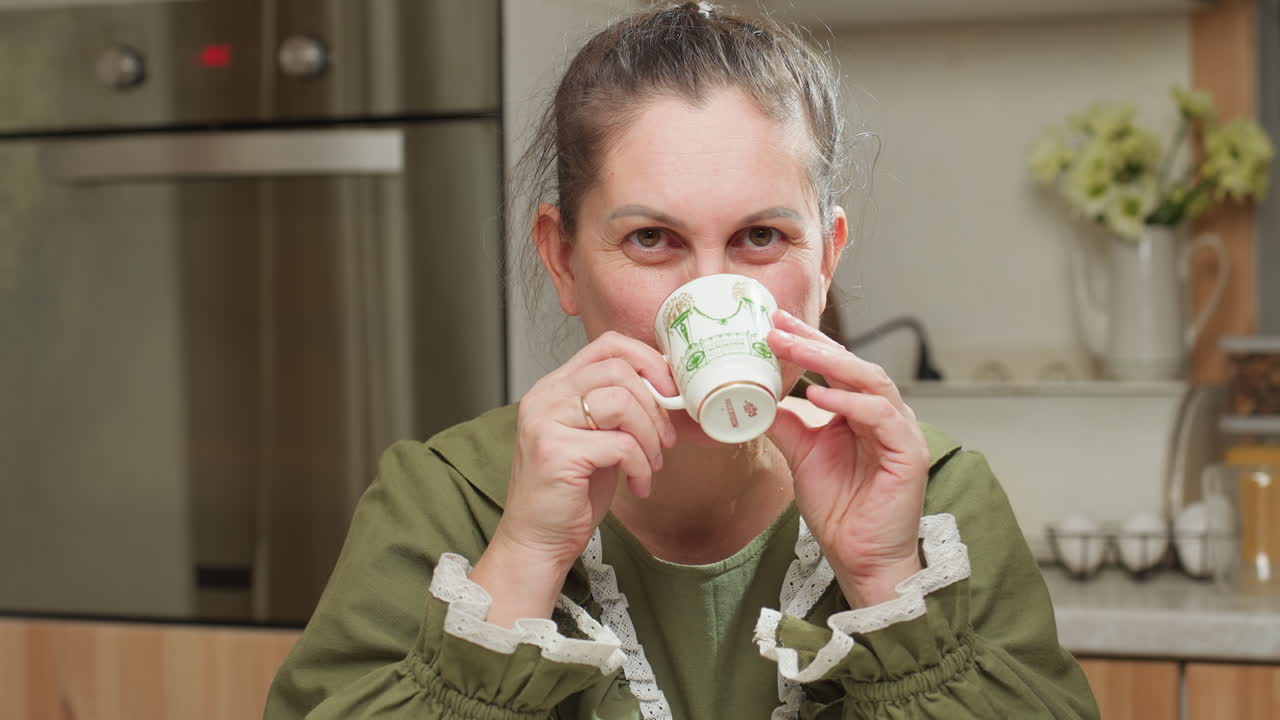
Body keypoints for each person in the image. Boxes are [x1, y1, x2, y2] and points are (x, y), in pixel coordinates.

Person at [264, 3, 1099, 718]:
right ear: (563, 260)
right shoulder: (448, 499)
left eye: (761, 237)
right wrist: (520, 563)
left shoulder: (936, 500)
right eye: (652, 239)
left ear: (827, 257)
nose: (712, 291)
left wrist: (885, 582)